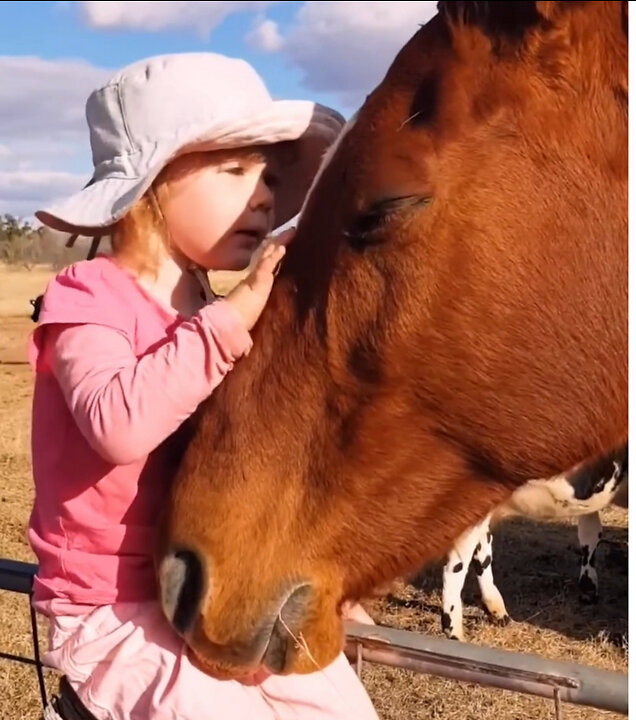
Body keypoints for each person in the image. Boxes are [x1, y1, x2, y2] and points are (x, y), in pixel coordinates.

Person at [26, 52, 381, 719]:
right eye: (236, 170)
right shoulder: (88, 298)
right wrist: (234, 315)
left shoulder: (212, 308)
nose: (266, 195)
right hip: (112, 604)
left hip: (216, 587)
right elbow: (117, 425)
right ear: (152, 185)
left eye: (270, 176)